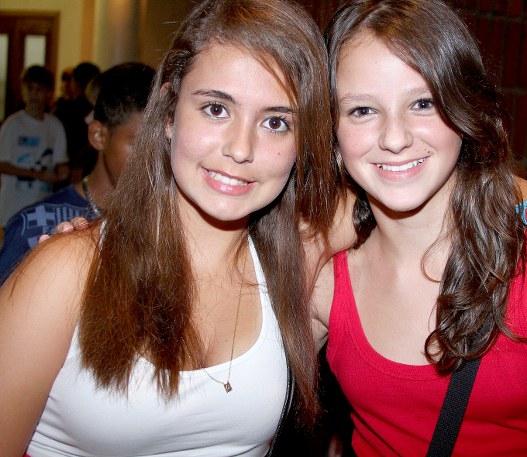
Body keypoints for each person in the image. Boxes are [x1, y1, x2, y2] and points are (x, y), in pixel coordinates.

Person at [0, 0, 337, 455]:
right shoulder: (66, 272)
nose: (241, 148)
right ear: (168, 114)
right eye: (216, 109)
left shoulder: (299, 266)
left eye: (276, 122)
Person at [311, 0, 527, 455]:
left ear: (464, 110)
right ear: (331, 129)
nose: (395, 138)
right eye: (362, 110)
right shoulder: (323, 279)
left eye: (423, 103)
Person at [0, 62, 154, 285]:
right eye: (140, 144)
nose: (154, 161)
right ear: (98, 136)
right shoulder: (34, 227)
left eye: (166, 146)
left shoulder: (162, 224)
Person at [0, 65, 69, 228]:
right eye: (29, 88)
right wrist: (35, 174)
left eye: (39, 89)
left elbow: (60, 161)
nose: (34, 94)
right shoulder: (13, 123)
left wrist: (62, 172)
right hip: (12, 206)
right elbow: (2, 164)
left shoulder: (54, 125)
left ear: (49, 93)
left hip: (41, 207)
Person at [53, 61, 100, 184]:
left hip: (72, 165)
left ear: (76, 83)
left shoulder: (69, 108)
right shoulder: (98, 108)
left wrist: (77, 165)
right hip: (88, 165)